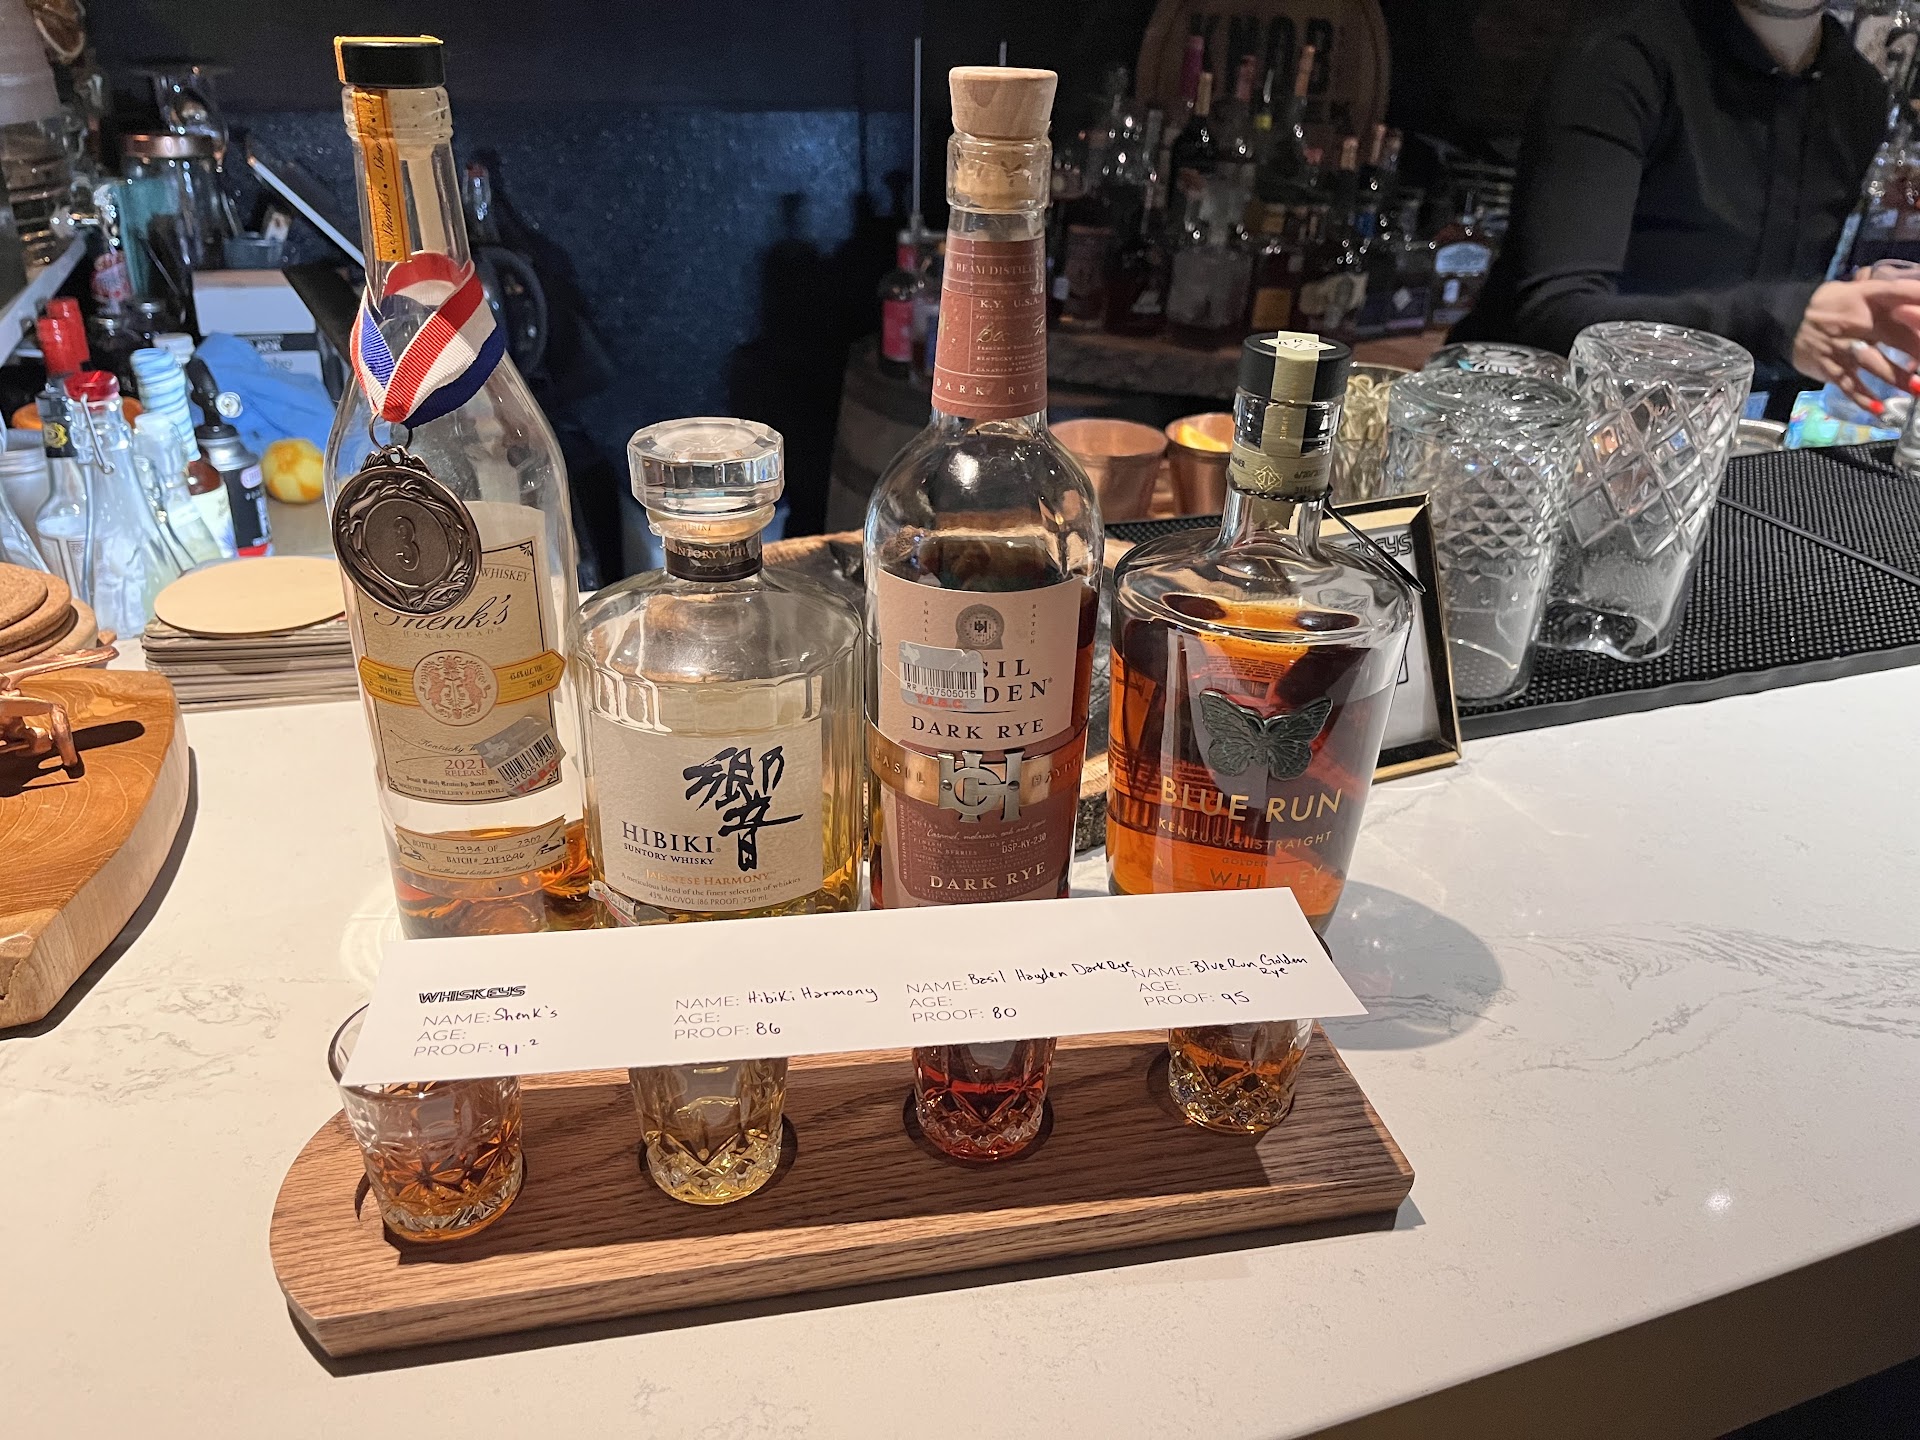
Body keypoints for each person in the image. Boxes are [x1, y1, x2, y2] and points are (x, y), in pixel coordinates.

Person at [1452, 0, 1920, 418]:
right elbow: (1550, 318)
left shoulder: (1857, 93)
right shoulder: (1625, 54)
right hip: (1529, 426)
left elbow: (1789, 310)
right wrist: (1781, 323)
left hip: (1722, 440)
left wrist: (1853, 311)